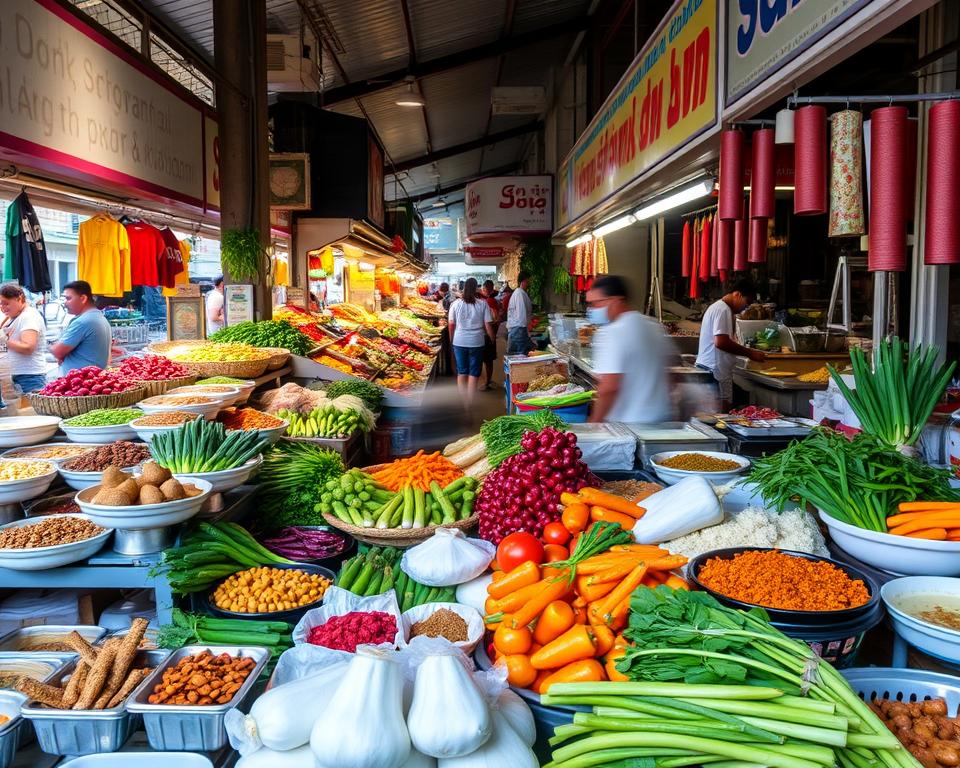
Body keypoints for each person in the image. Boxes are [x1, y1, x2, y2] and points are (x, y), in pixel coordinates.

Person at [586, 275, 673, 424]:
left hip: (629, 425)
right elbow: (671, 374)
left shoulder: (611, 332)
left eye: (597, 303)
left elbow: (609, 388)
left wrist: (593, 424)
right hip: (662, 420)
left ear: (616, 301)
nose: (592, 309)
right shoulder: (653, 326)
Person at [695, 279, 766, 410]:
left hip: (712, 369)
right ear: (737, 295)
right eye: (747, 302)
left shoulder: (719, 308)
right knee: (720, 414)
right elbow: (721, 342)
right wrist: (750, 353)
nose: (746, 307)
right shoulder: (723, 310)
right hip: (715, 372)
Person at [447, 277, 495, 409]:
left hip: (459, 341)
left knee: (462, 372)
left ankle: (464, 403)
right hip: (477, 342)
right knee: (474, 373)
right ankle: (470, 403)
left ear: (464, 288)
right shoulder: (482, 303)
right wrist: (492, 338)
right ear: (476, 289)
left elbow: (451, 324)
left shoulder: (455, 304)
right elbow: (488, 324)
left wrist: (452, 340)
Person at [49, 280, 112, 374]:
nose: (65, 303)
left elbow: (57, 351)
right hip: (91, 379)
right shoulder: (99, 317)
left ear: (83, 298)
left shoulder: (83, 321)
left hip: (80, 382)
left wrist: (51, 346)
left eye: (68, 298)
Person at [0, 283, 48, 393]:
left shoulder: (29, 316)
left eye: (6, 304)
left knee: (29, 410)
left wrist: (3, 340)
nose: (2, 308)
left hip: (28, 377)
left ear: (19, 298)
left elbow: (28, 347)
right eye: (0, 304)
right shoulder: (13, 316)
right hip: (16, 375)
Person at [506, 272, 534, 356]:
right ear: (523, 281)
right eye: (528, 281)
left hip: (519, 329)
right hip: (518, 330)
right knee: (519, 357)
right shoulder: (519, 294)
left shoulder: (522, 293)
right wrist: (526, 329)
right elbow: (521, 314)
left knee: (519, 356)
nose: (529, 283)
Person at [480, 279, 501, 390]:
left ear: (485, 289)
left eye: (483, 289)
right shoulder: (492, 300)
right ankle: (488, 380)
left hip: (488, 334)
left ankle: (487, 382)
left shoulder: (489, 301)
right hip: (491, 333)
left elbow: (496, 317)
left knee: (487, 360)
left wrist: (491, 330)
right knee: (488, 360)